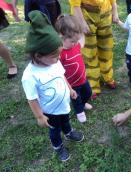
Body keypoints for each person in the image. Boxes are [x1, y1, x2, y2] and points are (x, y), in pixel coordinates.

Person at [21, 11, 84, 162]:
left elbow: (62, 76)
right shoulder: (30, 75)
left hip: (63, 104)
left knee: (66, 120)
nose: (58, 59)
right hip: (50, 112)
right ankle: (58, 146)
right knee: (55, 130)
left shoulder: (54, 63)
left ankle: (68, 132)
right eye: (55, 56)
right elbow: (32, 99)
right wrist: (39, 116)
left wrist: (70, 89)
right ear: (38, 56)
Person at [69, 0, 119, 99]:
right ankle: (93, 84)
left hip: (105, 12)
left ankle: (107, 77)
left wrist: (115, 10)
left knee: (106, 48)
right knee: (89, 52)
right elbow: (75, 5)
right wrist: (81, 22)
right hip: (85, 14)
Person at [55, 14, 93, 123]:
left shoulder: (76, 44)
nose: (75, 43)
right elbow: (59, 73)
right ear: (62, 37)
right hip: (72, 84)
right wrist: (69, 88)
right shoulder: (60, 53)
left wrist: (83, 31)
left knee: (88, 93)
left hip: (83, 79)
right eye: (72, 41)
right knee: (76, 98)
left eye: (77, 40)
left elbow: (82, 41)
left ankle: (83, 103)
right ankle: (79, 111)